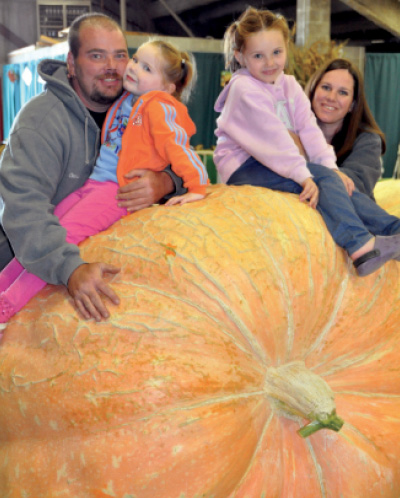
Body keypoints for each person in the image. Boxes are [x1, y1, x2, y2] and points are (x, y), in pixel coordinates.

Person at [0, 38, 208, 324]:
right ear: (72, 63)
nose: (133, 68)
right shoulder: (125, 99)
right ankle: (2, 287)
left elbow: (179, 148)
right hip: (94, 186)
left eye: (146, 68)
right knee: (51, 234)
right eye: (136, 60)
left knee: (66, 237)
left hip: (116, 193)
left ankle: (7, 307)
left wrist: (193, 186)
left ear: (167, 88)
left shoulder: (157, 106)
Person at [213, 6, 400, 279]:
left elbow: (308, 129)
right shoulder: (244, 88)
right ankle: (360, 246)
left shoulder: (288, 84)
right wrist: (303, 175)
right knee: (323, 179)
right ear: (240, 56)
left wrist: (331, 168)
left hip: (275, 162)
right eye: (258, 56)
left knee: (331, 179)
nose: (270, 63)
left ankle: (393, 230)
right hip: (244, 165)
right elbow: (274, 141)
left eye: (277, 52)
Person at [304, 58, 385, 200]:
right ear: (313, 90)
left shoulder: (368, 141)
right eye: (326, 87)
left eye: (342, 92)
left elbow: (351, 186)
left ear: (353, 104)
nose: (331, 97)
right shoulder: (293, 131)